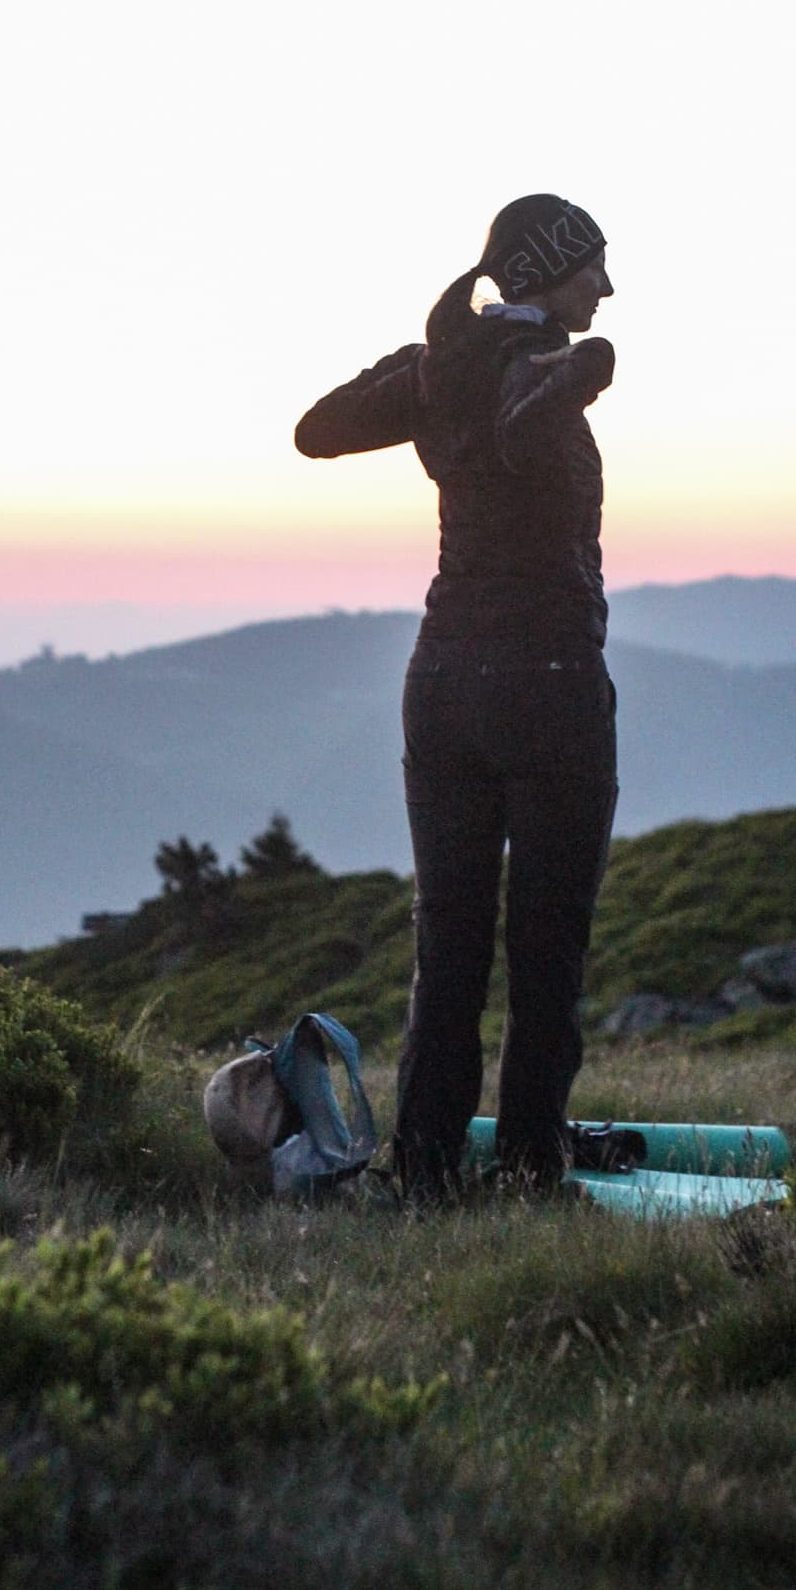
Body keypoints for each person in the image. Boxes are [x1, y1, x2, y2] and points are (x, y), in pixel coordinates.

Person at [294, 194, 618, 1198]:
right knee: (547, 942)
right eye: (591, 267)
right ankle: (529, 1162)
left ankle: (426, 1166)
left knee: (450, 938)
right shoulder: (539, 373)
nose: (605, 287)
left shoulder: (445, 368)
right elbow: (522, 440)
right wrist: (553, 387)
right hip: (549, 678)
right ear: (542, 269)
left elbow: (318, 430)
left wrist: (423, 366)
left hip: (440, 680)